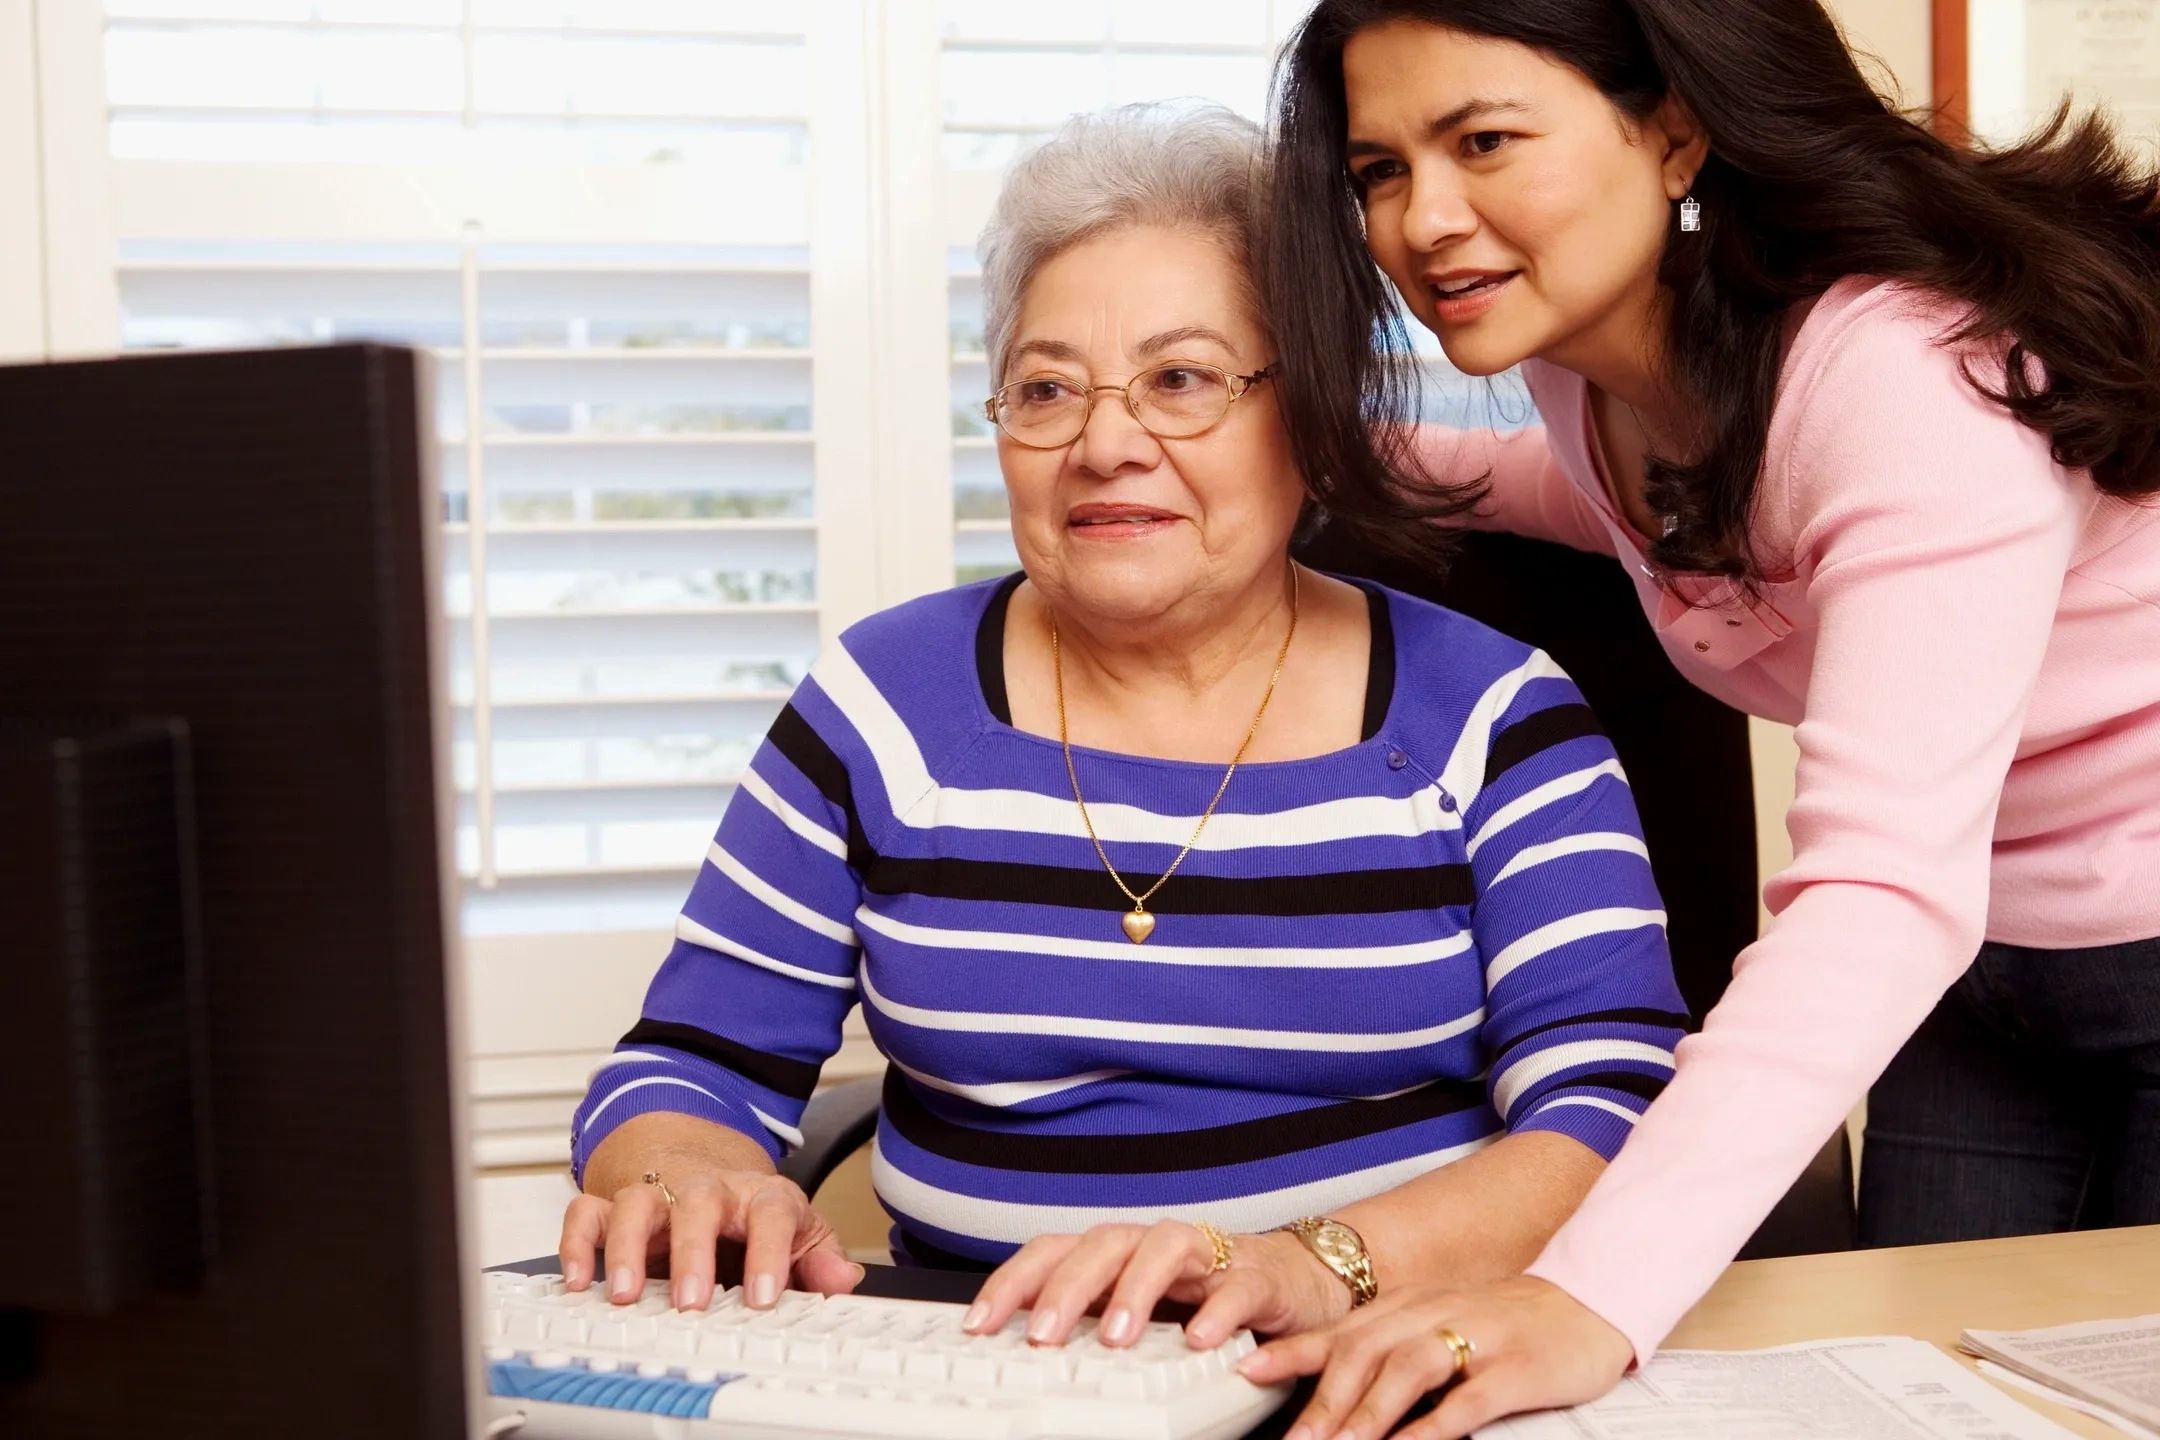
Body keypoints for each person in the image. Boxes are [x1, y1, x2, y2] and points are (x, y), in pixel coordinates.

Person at [556, 105, 1688, 1363]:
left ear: (1312, 416)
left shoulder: (1491, 715)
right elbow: (690, 1063)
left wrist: (1318, 1267)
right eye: (1046, 390)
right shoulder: (885, 702)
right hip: (990, 1377)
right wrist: (686, 1173)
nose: (1103, 444)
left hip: (1377, 1360)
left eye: (1181, 380)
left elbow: (1618, 1102)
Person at [1232, 3, 2160, 1437]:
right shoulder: (1590, 374)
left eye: (1483, 140)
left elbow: (1879, 886)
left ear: (1674, 128)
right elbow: (1598, 511)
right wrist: (1280, 438)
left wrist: (1583, 1296)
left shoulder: (1898, 375)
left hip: (2098, 935)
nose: (1425, 220)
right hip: (1975, 981)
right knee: (1930, 1398)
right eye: (1379, 172)